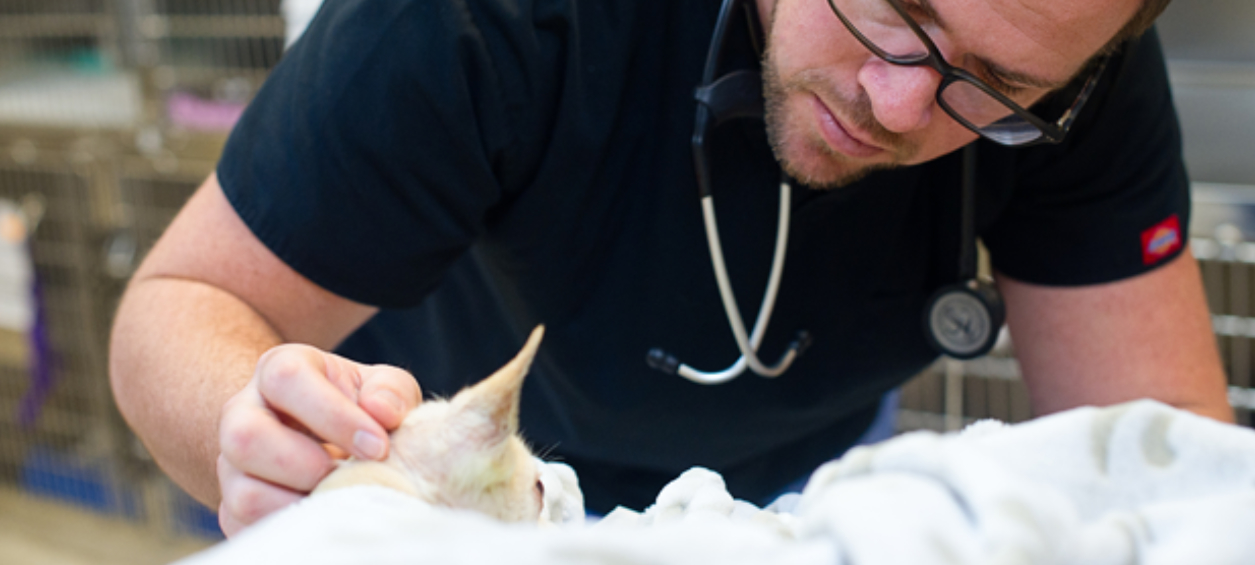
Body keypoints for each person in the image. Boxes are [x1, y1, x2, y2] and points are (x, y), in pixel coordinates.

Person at [108, 0, 1234, 536]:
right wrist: (247, 424)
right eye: (893, 9)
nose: (895, 104)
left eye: (987, 86)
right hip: (445, 494)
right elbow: (180, 306)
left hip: (784, 493)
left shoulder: (1071, 81)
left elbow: (1164, 459)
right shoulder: (477, 22)